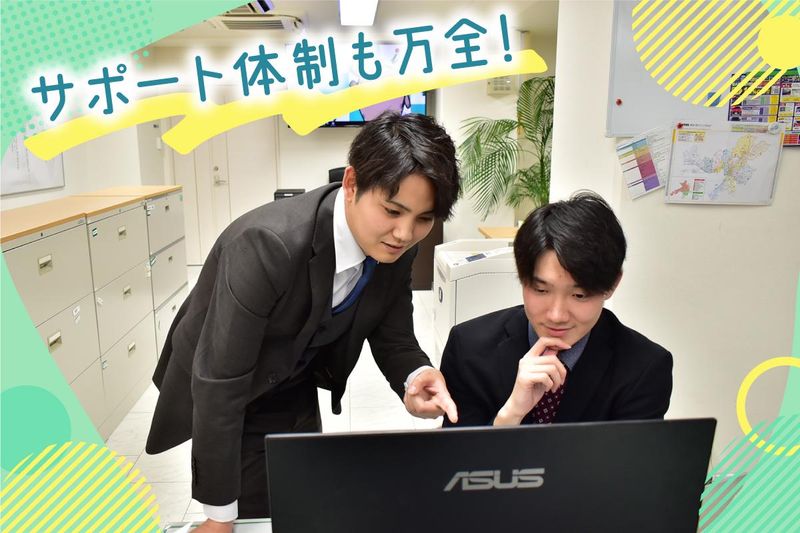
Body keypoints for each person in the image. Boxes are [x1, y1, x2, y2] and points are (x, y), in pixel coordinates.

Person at [146, 112, 461, 532]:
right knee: (249, 509)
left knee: (296, 493)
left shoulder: (394, 248)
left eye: (423, 219)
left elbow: (394, 335)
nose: (404, 234)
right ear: (352, 183)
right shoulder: (266, 245)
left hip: (293, 377)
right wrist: (218, 517)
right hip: (232, 380)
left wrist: (415, 374)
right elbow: (220, 380)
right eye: (392, 210)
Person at [440, 192, 672, 428]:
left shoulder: (645, 368)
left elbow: (631, 453)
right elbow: (456, 451)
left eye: (579, 295)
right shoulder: (468, 348)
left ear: (612, 284)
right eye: (541, 290)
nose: (557, 315)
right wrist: (511, 414)